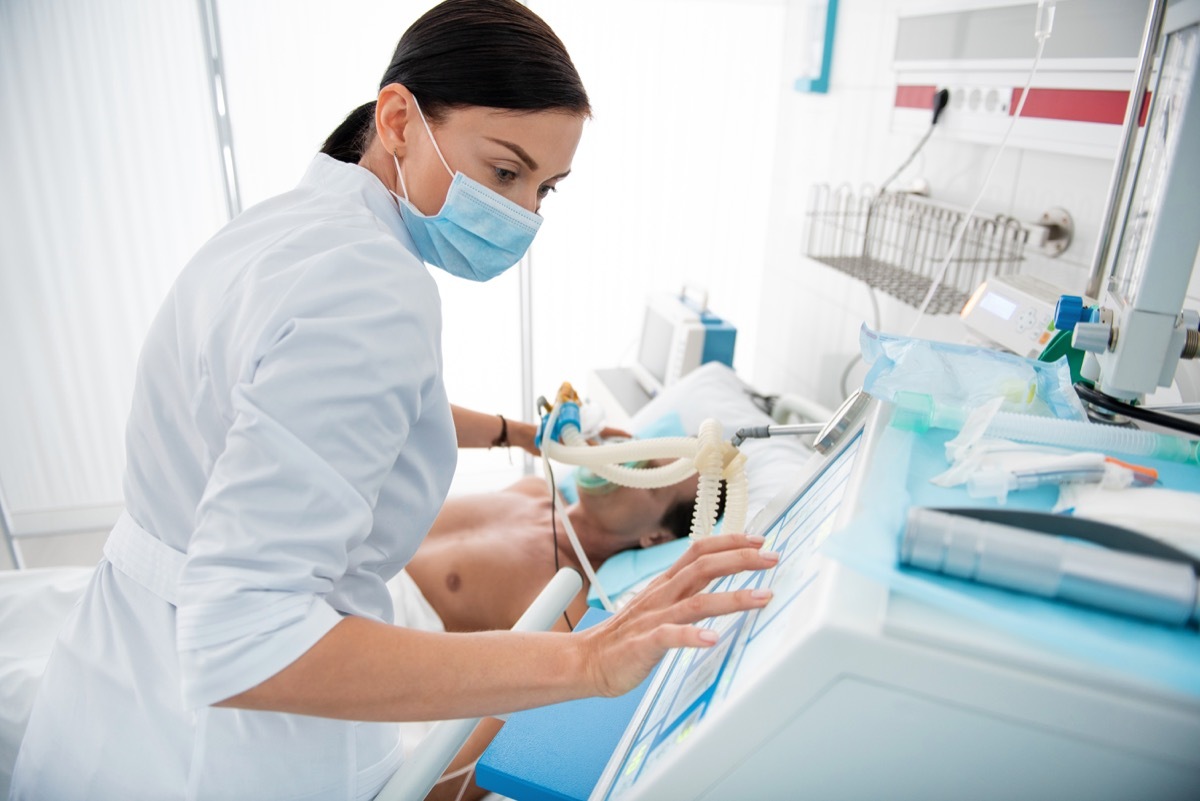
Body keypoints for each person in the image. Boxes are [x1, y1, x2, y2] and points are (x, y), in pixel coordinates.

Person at [9, 2, 776, 798]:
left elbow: (334, 416)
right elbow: (246, 640)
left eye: (547, 190)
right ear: (399, 118)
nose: (523, 216)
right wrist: (588, 657)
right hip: (207, 748)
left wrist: (519, 432)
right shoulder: (372, 290)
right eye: (505, 172)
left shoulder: (283, 232)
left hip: (115, 682)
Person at [395, 467, 721, 800]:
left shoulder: (564, 616)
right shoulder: (533, 488)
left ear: (655, 538)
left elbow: (447, 772)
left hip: (381, 633)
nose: (627, 468)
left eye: (651, 476)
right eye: (638, 453)